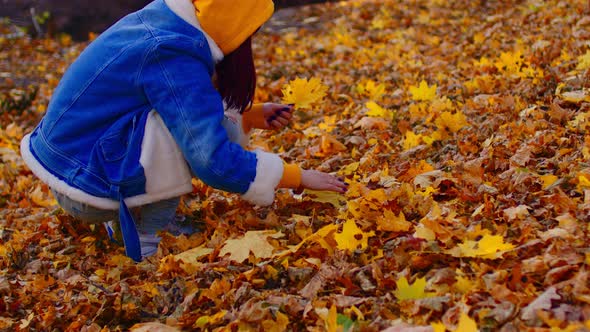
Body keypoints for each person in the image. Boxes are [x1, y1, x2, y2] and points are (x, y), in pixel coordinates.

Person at [20, 0, 347, 262]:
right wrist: (295, 177)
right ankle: (146, 236)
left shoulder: (164, 21)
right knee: (190, 135)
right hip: (85, 186)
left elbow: (187, 107)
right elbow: (212, 160)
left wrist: (247, 117)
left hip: (70, 166)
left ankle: (122, 216)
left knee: (200, 120)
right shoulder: (172, 53)